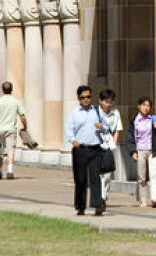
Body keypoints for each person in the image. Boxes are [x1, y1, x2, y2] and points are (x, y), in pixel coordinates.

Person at [65, 84, 110, 216]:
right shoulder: (74, 113)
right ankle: (80, 206)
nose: (86, 99)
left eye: (88, 97)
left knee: (95, 178)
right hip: (81, 149)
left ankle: (97, 205)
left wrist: (102, 126)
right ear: (78, 99)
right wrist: (73, 140)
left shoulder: (96, 111)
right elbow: (69, 129)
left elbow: (107, 126)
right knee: (80, 179)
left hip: (95, 149)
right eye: (83, 97)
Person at [125, 96, 156, 208]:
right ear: (139, 106)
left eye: (148, 106)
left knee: (154, 174)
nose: (146, 108)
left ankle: (155, 199)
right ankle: (143, 199)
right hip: (140, 150)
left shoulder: (153, 118)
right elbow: (130, 136)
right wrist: (133, 151)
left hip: (153, 150)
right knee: (142, 177)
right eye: (144, 105)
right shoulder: (135, 120)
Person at [0, 81, 28, 180]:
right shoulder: (16, 102)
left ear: (2, 90)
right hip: (11, 129)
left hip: (0, 129)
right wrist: (25, 126)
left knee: (0, 151)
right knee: (10, 150)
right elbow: (22, 116)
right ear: (11, 90)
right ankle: (10, 170)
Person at [97, 89, 123, 203]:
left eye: (110, 101)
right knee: (98, 173)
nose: (108, 104)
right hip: (96, 144)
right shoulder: (95, 113)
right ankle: (100, 196)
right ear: (100, 101)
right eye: (106, 101)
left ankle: (105, 194)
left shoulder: (115, 113)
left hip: (108, 145)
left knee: (107, 174)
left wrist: (114, 143)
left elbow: (117, 129)